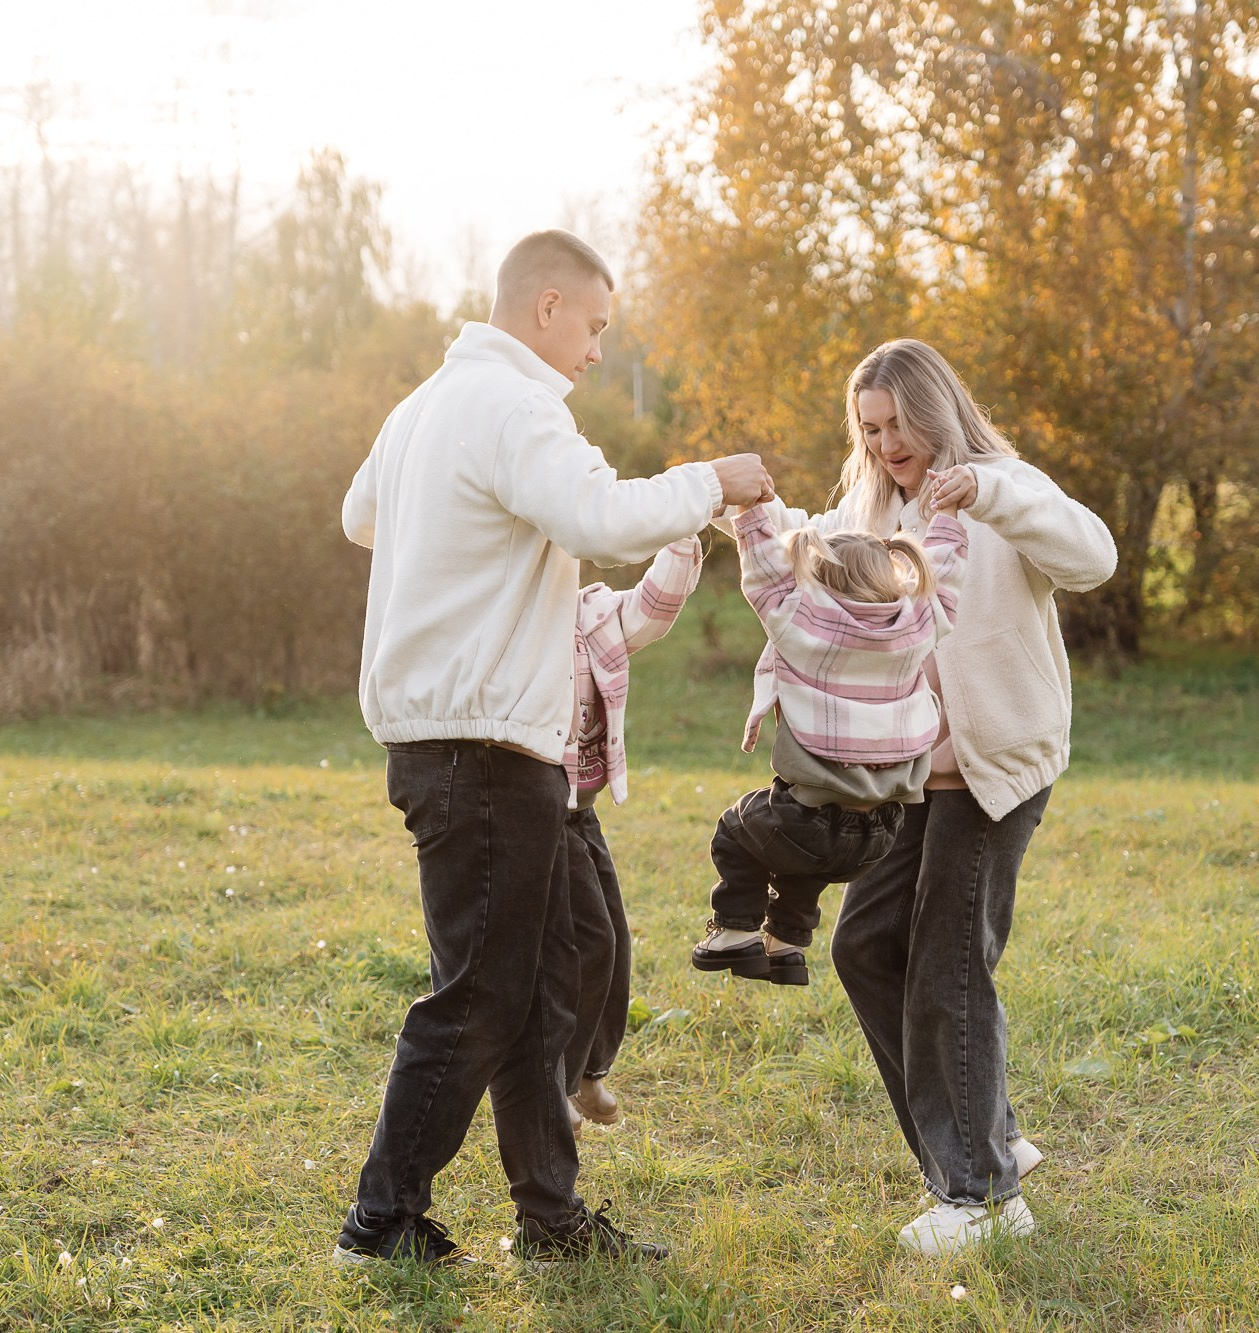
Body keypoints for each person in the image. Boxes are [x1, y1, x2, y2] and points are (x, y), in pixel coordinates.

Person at [332, 229, 774, 1268]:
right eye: (594, 327)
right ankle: (377, 1221)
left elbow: (361, 516)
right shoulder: (512, 406)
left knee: (531, 993)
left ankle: (552, 1221)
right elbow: (598, 515)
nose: (594, 352)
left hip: (451, 741)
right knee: (480, 994)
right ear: (545, 307)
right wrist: (709, 480)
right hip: (480, 744)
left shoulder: (422, 408)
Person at [742, 339, 1115, 1256]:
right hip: (905, 777)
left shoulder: (1002, 485)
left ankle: (979, 1195)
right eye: (868, 429)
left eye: (898, 423)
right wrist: (740, 516)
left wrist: (987, 494)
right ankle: (988, 1146)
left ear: (935, 409)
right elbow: (811, 572)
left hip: (994, 768)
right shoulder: (874, 503)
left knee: (949, 965)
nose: (885, 443)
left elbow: (1093, 555)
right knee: (866, 943)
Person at [691, 500, 967, 986]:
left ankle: (734, 932)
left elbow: (763, 575)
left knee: (737, 829)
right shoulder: (919, 626)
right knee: (803, 861)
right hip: (881, 835)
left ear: (819, 582)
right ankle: (788, 944)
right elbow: (945, 573)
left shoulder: (803, 628)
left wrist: (751, 513)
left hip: (806, 823)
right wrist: (948, 516)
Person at [562, 534, 705, 1131]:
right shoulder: (509, 624)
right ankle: (558, 1083)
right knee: (588, 941)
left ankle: (588, 1074)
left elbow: (653, 606)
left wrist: (681, 527)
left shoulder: (589, 614)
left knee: (613, 939)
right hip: (537, 806)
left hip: (581, 809)